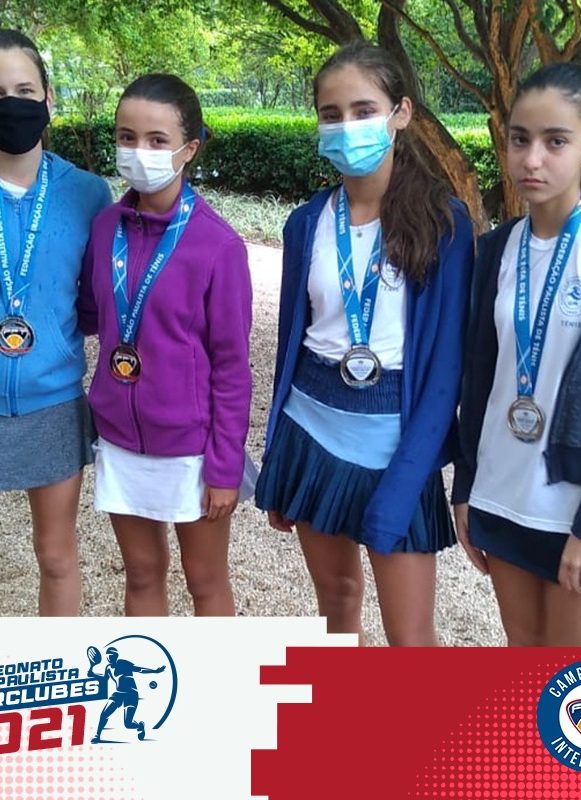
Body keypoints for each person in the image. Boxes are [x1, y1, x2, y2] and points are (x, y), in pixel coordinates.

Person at [255, 42, 474, 646]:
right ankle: (345, 711)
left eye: (363, 110)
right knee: (337, 608)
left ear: (400, 113)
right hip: (311, 431)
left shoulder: (445, 223)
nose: (346, 126)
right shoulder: (306, 223)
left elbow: (446, 372)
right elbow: (291, 348)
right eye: (331, 114)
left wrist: (410, 477)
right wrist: (277, 454)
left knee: (411, 640)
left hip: (397, 445)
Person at [78, 74, 253, 617]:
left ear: (189, 148)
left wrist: (224, 466)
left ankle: (214, 676)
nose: (139, 152)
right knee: (141, 575)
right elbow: (89, 314)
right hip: (119, 440)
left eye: (157, 140)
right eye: (127, 137)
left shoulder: (218, 245)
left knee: (206, 582)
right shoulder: (104, 228)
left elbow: (232, 367)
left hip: (190, 450)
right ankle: (153, 676)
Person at [453, 63, 581, 647]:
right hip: (502, 496)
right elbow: (479, 378)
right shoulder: (496, 250)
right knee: (525, 670)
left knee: (567, 682)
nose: (532, 160)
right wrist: (466, 487)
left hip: (569, 510)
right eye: (520, 139)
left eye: (556, 142)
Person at [0, 30, 110, 615]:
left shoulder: (87, 194)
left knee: (56, 554)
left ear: (48, 98)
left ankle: (57, 664)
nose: (11, 103)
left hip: (53, 400)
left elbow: (98, 301)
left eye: (24, 90)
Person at [89, 646, 165, 743]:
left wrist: (154, 671)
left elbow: (139, 669)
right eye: (108, 656)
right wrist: (93, 674)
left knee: (128, 724)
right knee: (104, 714)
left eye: (112, 655)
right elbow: (104, 679)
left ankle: (140, 726)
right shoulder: (108, 668)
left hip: (131, 693)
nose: (110, 657)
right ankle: (97, 736)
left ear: (116, 656)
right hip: (118, 694)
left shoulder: (123, 663)